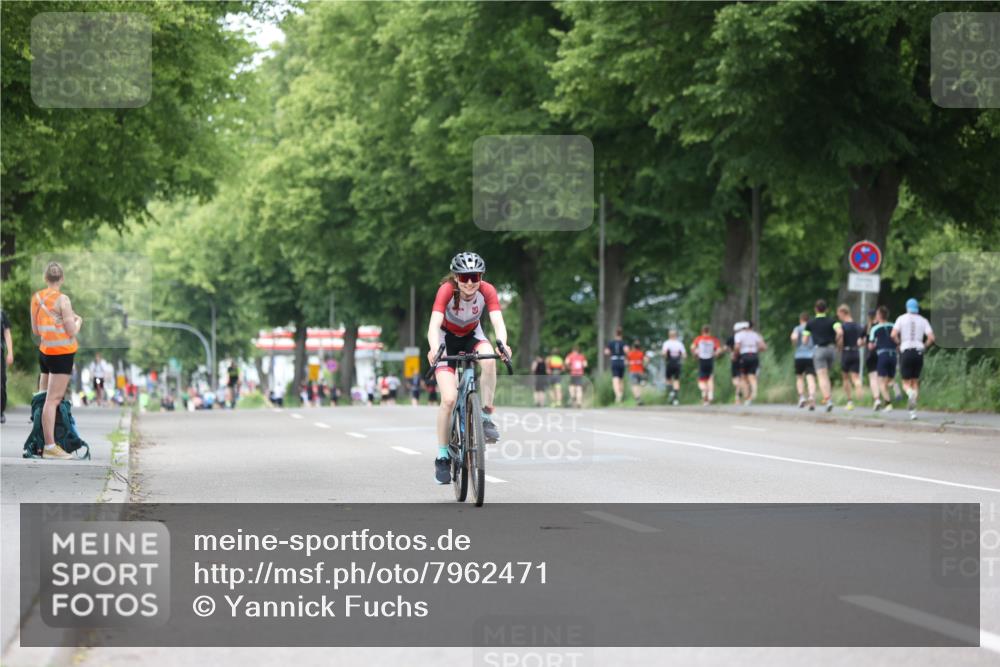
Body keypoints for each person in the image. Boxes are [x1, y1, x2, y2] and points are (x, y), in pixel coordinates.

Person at [427, 252, 512, 485]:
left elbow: (497, 323)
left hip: (472, 336)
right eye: (464, 278)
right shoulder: (446, 290)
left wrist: (503, 344)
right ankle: (443, 455)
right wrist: (435, 349)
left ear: (481, 276)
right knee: (449, 399)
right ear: (456, 277)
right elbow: (433, 325)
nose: (470, 282)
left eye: (474, 276)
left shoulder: (487, 290)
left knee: (489, 360)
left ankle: (484, 416)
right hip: (446, 339)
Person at [31, 262, 83, 459]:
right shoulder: (63, 300)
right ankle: (51, 446)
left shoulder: (36, 298)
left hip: (44, 352)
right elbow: (71, 331)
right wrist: (78, 321)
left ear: (46, 278)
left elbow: (36, 331)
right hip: (61, 354)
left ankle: (40, 441)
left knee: (43, 398)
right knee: (52, 400)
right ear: (61, 279)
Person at [892, 298, 935, 420]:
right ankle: (913, 412)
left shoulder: (901, 318)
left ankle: (909, 394)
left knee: (906, 383)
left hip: (906, 351)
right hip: (918, 352)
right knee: (915, 381)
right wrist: (924, 345)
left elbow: (893, 334)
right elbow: (931, 337)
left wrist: (899, 343)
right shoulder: (923, 320)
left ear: (907, 307)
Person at [805, 299, 842, 412]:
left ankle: (828, 400)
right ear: (826, 309)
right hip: (831, 349)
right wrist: (835, 340)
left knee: (822, 376)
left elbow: (805, 339)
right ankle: (828, 397)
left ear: (815, 309)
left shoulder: (810, 323)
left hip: (819, 350)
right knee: (826, 375)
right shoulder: (832, 321)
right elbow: (840, 332)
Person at [867, 305, 897, 412]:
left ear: (879, 315)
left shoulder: (875, 328)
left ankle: (888, 404)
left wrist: (874, 345)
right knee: (890, 378)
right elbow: (897, 339)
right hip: (893, 354)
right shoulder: (894, 325)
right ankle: (895, 387)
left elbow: (870, 346)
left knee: (881, 381)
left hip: (882, 354)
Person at [836, 304, 865, 411]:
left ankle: (849, 401)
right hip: (856, 352)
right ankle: (858, 386)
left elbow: (840, 341)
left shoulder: (842, 327)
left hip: (846, 352)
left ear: (843, 313)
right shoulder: (858, 326)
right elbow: (863, 342)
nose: (838, 316)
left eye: (839, 314)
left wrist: (838, 347)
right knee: (856, 377)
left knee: (845, 378)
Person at [734, 321, 766, 405]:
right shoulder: (756, 335)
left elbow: (737, 346)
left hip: (744, 356)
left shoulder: (739, 335)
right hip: (754, 356)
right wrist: (755, 349)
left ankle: (747, 397)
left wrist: (736, 354)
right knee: (752, 376)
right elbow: (763, 347)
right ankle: (754, 393)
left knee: (743, 377)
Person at [690, 325, 722, 406]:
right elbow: (719, 350)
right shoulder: (713, 339)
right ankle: (710, 395)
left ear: (702, 331)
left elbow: (692, 347)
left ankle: (705, 393)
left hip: (702, 360)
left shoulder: (699, 339)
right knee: (710, 378)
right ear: (709, 331)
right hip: (710, 360)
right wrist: (715, 355)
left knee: (702, 380)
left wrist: (695, 355)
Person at [791, 312, 817, 410]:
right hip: (811, 355)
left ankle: (801, 397)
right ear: (808, 319)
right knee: (810, 378)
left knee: (799, 377)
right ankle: (811, 397)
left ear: (800, 319)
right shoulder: (812, 328)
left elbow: (793, 337)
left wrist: (795, 343)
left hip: (799, 356)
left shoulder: (797, 328)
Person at [661, 330, 686, 405]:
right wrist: (681, 360)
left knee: (668, 379)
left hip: (670, 362)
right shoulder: (679, 344)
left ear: (669, 335)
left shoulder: (666, 343)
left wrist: (666, 359)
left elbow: (664, 353)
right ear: (676, 335)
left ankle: (671, 391)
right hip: (677, 363)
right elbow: (684, 355)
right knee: (676, 379)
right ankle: (675, 398)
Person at [604, 327, 627, 404]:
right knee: (621, 379)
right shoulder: (623, 343)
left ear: (615, 334)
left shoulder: (611, 343)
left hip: (614, 361)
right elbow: (627, 350)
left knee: (615, 380)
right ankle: (621, 394)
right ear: (621, 334)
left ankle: (618, 395)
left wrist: (612, 353)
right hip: (622, 361)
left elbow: (606, 352)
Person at [863, 308, 880, 406]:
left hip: (871, 354)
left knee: (873, 378)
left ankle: (877, 399)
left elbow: (860, 341)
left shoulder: (867, 327)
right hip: (882, 354)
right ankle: (894, 393)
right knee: (885, 377)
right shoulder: (881, 326)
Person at [725, 324, 744, 404]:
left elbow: (726, 348)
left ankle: (737, 397)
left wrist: (731, 352)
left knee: (735, 379)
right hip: (744, 359)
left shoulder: (731, 338)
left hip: (735, 359)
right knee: (741, 378)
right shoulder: (744, 337)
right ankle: (738, 396)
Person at [626, 340, 645, 405]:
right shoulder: (641, 353)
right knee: (639, 385)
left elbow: (626, 362)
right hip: (640, 371)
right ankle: (639, 398)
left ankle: (637, 398)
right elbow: (645, 361)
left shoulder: (630, 353)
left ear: (633, 346)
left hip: (632, 371)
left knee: (634, 385)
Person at [1, 308, 11, 424]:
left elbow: (7, 334)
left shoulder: (1, 314)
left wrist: (10, 352)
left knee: (1, 382)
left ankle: (0, 411)